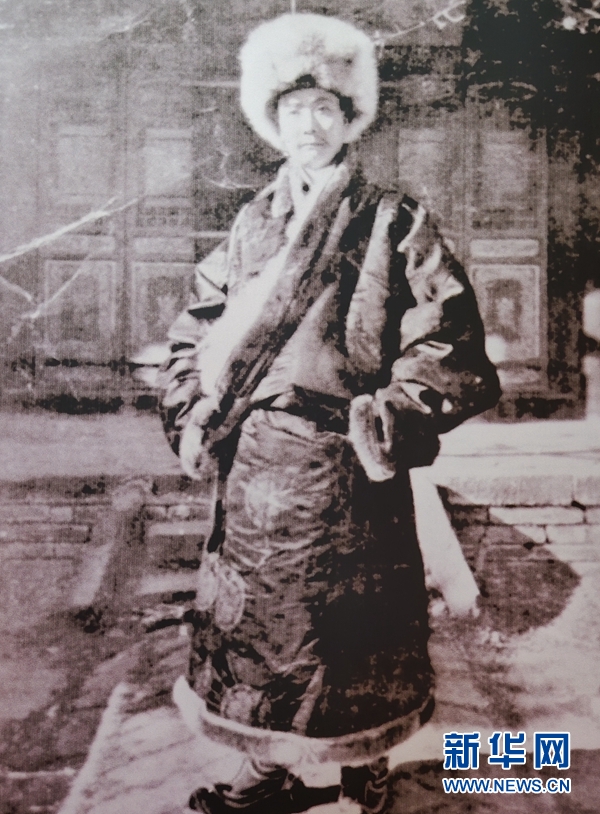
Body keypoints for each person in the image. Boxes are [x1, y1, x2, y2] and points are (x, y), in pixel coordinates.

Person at [159, 12, 501, 814]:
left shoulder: (393, 218)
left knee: (354, 632)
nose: (309, 125)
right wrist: (192, 405)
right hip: (256, 469)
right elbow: (199, 324)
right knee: (262, 632)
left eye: (324, 108)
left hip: (349, 464)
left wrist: (388, 416)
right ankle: (268, 771)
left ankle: (366, 760)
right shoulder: (253, 222)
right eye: (293, 110)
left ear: (351, 119)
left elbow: (447, 332)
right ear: (272, 122)